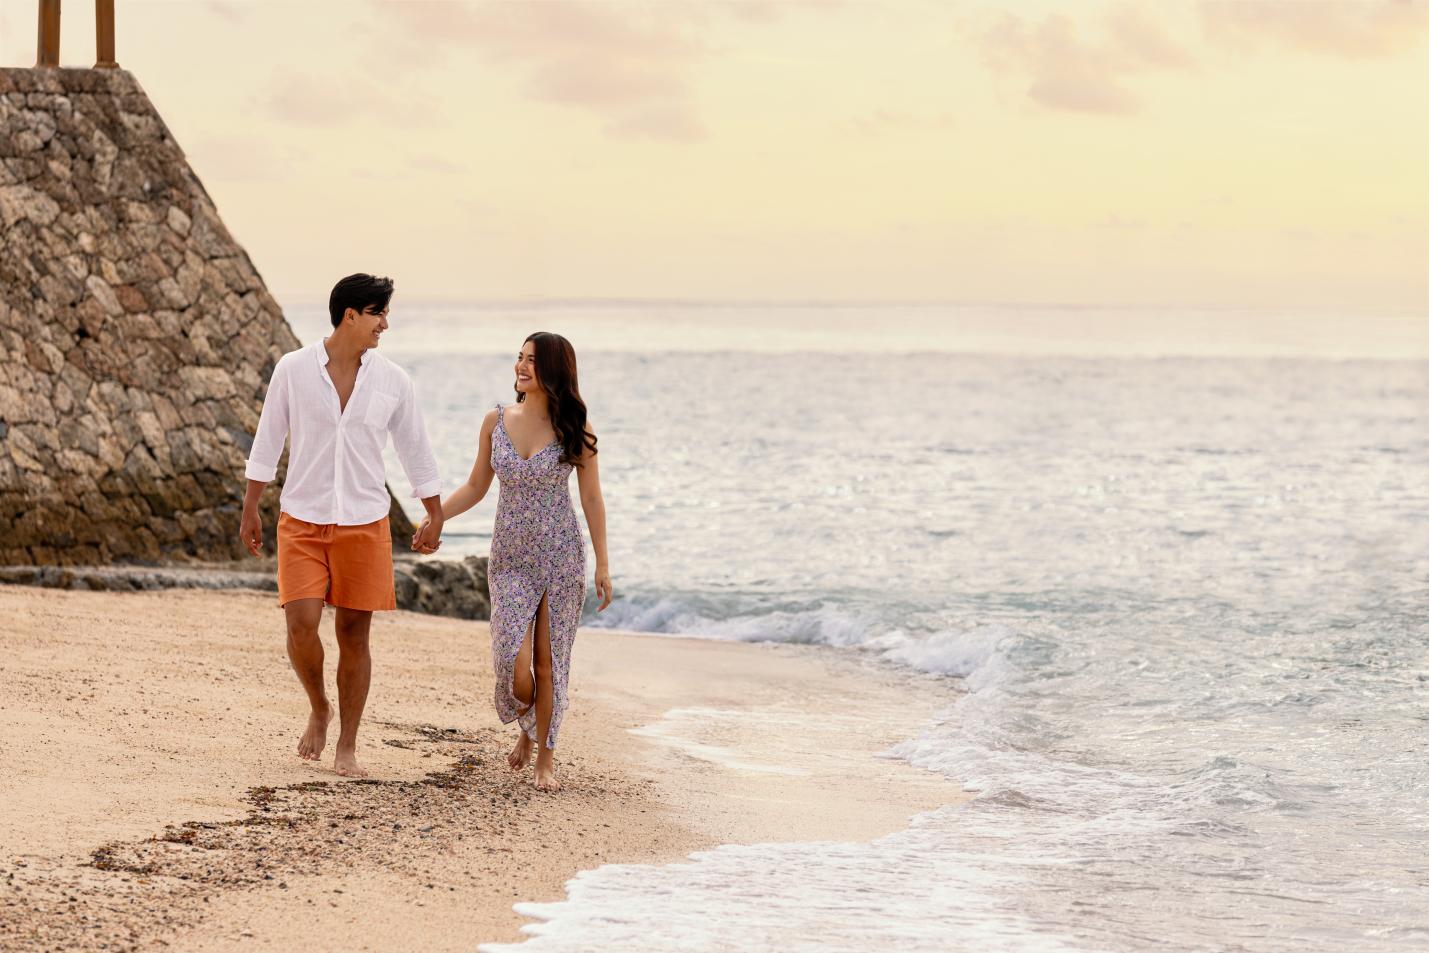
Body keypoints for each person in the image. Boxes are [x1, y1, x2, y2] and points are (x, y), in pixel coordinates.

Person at [239, 274, 444, 778]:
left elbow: (414, 448)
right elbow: (269, 439)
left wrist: (434, 511)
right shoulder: (292, 369)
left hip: (364, 521)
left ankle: (347, 744)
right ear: (349, 315)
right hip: (302, 519)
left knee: (354, 635)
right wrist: (251, 506)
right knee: (300, 624)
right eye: (377, 314)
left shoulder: (394, 380)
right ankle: (318, 705)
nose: (384, 324)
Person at [426, 332, 611, 791]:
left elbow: (591, 497)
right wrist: (435, 518)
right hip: (510, 559)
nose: (521, 367)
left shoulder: (575, 426)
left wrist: (603, 564)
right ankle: (529, 721)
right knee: (514, 665)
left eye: (532, 361)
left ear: (554, 371)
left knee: (550, 664)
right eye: (520, 358)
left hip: (560, 557)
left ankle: (544, 759)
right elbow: (475, 486)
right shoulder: (495, 420)